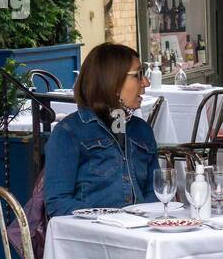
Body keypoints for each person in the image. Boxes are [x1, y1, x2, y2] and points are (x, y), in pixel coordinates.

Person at [44, 43, 157, 218]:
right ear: (113, 82)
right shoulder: (69, 132)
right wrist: (107, 219)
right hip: (93, 237)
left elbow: (154, 192)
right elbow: (57, 203)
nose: (146, 83)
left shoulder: (142, 130)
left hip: (140, 233)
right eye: (138, 75)